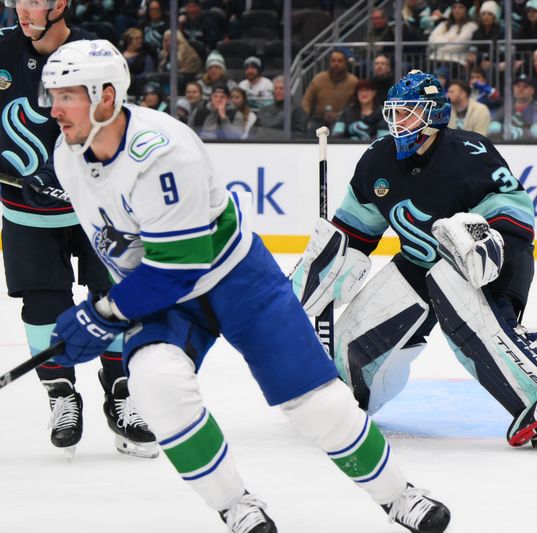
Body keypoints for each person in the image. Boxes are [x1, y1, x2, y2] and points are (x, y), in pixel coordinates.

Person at [43, 39, 451, 533]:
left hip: (235, 277)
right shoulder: (67, 156)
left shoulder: (164, 151)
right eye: (52, 95)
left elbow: (181, 265)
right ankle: (236, 505)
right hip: (161, 295)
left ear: (106, 96)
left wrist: (104, 313)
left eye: (67, 95)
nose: (55, 108)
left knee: (318, 405)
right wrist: (110, 308)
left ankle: (399, 496)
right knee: (156, 387)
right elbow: (118, 244)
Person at [293, 70, 537, 450]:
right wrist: (314, 277)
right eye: (395, 113)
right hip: (418, 264)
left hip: (487, 264)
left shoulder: (469, 152)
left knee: (460, 291)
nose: (398, 122)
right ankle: (348, 396)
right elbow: (354, 233)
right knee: (353, 348)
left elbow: (513, 213)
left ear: (434, 115)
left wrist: (485, 243)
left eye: (408, 113)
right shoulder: (377, 160)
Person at [0, 0, 156, 459]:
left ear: (60, 3)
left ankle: (121, 391)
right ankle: (61, 393)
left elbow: (119, 125)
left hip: (97, 208)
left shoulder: (96, 53)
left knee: (113, 296)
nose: (22, 10)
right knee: (42, 301)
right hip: (25, 210)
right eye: (17, 0)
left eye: (33, 0)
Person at [301, 49, 358, 131]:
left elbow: (355, 104)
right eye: (333, 61)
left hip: (341, 120)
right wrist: (306, 118)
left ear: (345, 63)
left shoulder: (353, 81)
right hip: (318, 119)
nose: (336, 64)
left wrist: (340, 115)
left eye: (339, 61)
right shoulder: (319, 78)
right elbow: (306, 100)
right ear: (329, 63)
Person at [488, 74, 537, 140]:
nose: (520, 89)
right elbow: (494, 125)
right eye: (518, 86)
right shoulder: (507, 107)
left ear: (532, 90)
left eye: (525, 86)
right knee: (494, 126)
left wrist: (519, 132)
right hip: (508, 145)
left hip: (532, 146)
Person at [250, 75, 308, 140]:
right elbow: (253, 131)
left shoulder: (298, 111)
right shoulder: (264, 110)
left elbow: (299, 135)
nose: (278, 91)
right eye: (276, 88)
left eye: (281, 88)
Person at [427, 0, 477, 67]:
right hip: (435, 58)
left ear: (466, 10)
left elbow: (459, 45)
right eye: (454, 7)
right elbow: (431, 41)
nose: (457, 10)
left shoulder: (471, 26)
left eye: (460, 7)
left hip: (456, 61)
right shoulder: (444, 24)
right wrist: (449, 40)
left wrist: (440, 45)